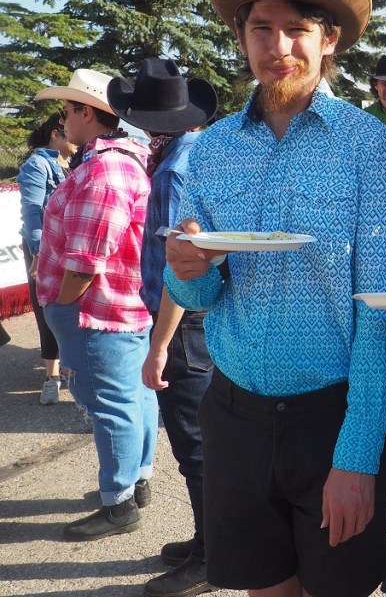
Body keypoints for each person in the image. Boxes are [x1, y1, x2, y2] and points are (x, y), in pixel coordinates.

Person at [164, 0, 386, 597]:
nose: (279, 47)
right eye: (261, 28)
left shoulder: (370, 146)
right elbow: (202, 288)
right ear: (240, 36)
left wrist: (356, 457)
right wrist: (184, 266)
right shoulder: (211, 148)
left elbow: (378, 308)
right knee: (265, 590)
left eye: (296, 30)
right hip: (233, 411)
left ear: (329, 39)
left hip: (330, 418)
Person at [108, 58, 219, 597]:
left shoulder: (177, 169)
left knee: (196, 446)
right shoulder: (185, 156)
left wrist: (160, 346)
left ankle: (212, 553)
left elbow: (182, 269)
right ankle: (209, 542)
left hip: (184, 325)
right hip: (190, 323)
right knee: (197, 442)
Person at [33, 68, 157, 540]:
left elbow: (85, 261)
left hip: (98, 312)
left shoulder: (104, 168)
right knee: (134, 398)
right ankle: (134, 483)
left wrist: (62, 306)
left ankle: (119, 502)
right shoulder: (118, 161)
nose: (62, 119)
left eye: (68, 110)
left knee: (112, 405)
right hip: (120, 306)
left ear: (88, 112)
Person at [17, 112, 75, 404]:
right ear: (56, 133)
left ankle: (68, 369)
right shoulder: (37, 165)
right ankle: (51, 378)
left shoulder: (73, 162)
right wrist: (39, 252)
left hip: (68, 246)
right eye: (69, 131)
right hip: (44, 249)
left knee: (69, 306)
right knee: (46, 310)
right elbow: (32, 212)